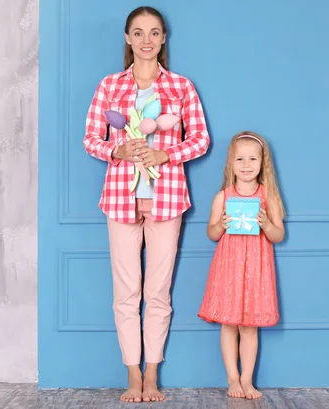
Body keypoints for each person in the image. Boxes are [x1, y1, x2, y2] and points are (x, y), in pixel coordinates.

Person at [83, 5, 210, 403]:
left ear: (163, 39)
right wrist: (118, 151)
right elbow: (91, 139)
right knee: (126, 292)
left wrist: (165, 156)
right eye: (138, 33)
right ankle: (133, 376)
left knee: (158, 292)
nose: (146, 40)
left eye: (154, 33)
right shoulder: (109, 86)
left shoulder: (181, 88)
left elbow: (200, 139)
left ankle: (152, 375)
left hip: (167, 199)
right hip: (120, 200)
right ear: (127, 38)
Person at [197, 131, 285, 400]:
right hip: (229, 266)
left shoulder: (267, 196)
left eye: (252, 159)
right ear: (230, 164)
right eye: (240, 159)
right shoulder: (222, 197)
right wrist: (219, 225)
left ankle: (247, 379)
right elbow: (211, 233)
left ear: (262, 163)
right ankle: (232, 378)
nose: (246, 165)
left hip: (256, 267)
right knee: (228, 324)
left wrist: (266, 224)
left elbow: (278, 235)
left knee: (249, 327)